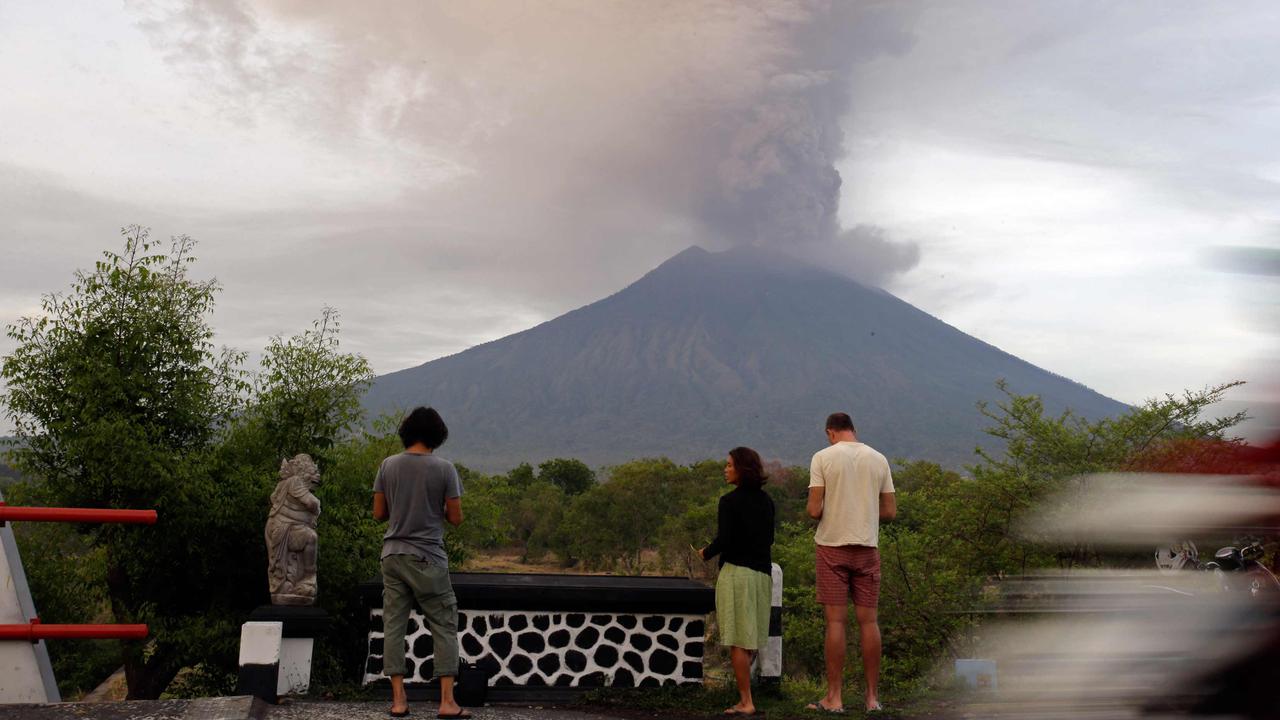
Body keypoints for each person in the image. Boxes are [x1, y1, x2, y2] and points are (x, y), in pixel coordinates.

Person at [372, 407, 470, 719]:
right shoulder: (445, 469)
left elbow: (379, 514)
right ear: (437, 435)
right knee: (443, 625)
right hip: (428, 556)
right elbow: (455, 519)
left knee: (394, 626)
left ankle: (399, 701)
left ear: (407, 432)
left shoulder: (387, 466)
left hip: (393, 555)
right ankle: (446, 702)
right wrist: (432, 508)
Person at [804, 413, 896, 714]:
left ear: (831, 432)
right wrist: (864, 514)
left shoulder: (822, 457)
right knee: (869, 622)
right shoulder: (879, 458)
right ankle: (871, 698)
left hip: (832, 547)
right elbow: (890, 511)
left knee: (836, 622)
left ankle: (835, 697)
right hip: (867, 547)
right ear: (853, 430)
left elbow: (814, 510)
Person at [699, 446, 776, 716]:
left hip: (737, 575)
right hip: (762, 576)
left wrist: (705, 553)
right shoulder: (767, 501)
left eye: (729, 465)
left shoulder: (729, 502)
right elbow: (768, 540)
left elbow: (726, 539)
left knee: (738, 640)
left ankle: (746, 701)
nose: (725, 469)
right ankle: (748, 696)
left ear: (741, 470)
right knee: (751, 637)